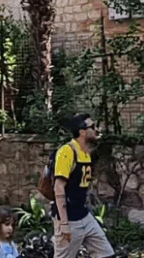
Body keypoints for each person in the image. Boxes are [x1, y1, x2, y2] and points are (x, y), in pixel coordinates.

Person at [51, 111, 112, 258]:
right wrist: (64, 224)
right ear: (83, 132)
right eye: (93, 126)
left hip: (84, 215)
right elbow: (58, 187)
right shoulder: (67, 151)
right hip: (69, 219)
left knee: (106, 254)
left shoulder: (86, 153)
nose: (97, 129)